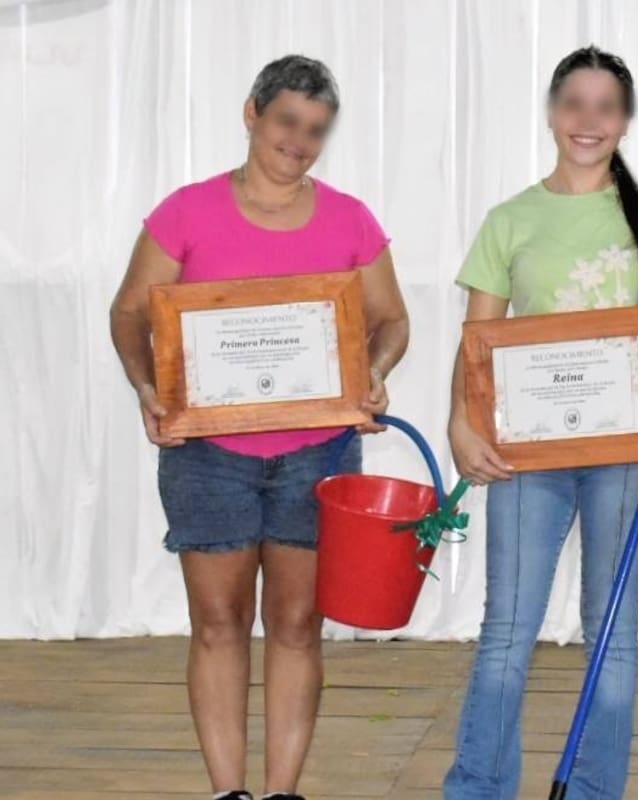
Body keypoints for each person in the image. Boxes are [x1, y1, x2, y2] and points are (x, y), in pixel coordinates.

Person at [109, 55, 410, 800]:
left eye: (316, 130)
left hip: (318, 452)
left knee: (298, 624)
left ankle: (281, 792)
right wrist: (148, 388)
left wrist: (372, 373)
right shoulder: (185, 212)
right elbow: (129, 313)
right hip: (206, 454)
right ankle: (227, 793)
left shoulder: (351, 218)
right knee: (218, 622)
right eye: (287, 122)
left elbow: (391, 321)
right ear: (252, 113)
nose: (299, 143)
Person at [441, 46, 638, 800]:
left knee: (611, 634)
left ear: (625, 121)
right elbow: (477, 343)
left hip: (632, 457)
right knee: (507, 631)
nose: (588, 121)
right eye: (574, 103)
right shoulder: (510, 220)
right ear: (551, 113)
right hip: (526, 455)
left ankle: (595, 791)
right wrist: (461, 424)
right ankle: (477, 789)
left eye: (605, 107)